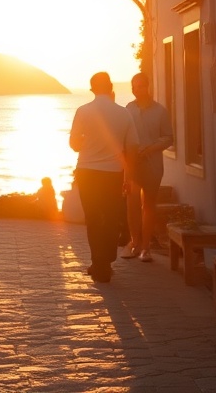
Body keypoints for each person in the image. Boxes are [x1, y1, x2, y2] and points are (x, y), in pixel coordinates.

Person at [69, 71, 136, 283]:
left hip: (87, 171)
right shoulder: (124, 113)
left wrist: (84, 140)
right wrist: (129, 175)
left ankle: (100, 263)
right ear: (111, 87)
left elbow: (74, 145)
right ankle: (104, 260)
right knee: (110, 217)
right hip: (113, 173)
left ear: (92, 89)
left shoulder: (83, 111)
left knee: (94, 219)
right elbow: (132, 146)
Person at [121, 72, 174, 263]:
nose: (137, 89)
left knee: (149, 206)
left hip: (152, 165)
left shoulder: (160, 111)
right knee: (131, 204)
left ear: (148, 86)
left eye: (140, 85)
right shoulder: (128, 109)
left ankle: (146, 247)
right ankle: (134, 242)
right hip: (133, 165)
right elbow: (123, 137)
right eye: (134, 86)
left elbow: (168, 137)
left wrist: (150, 149)